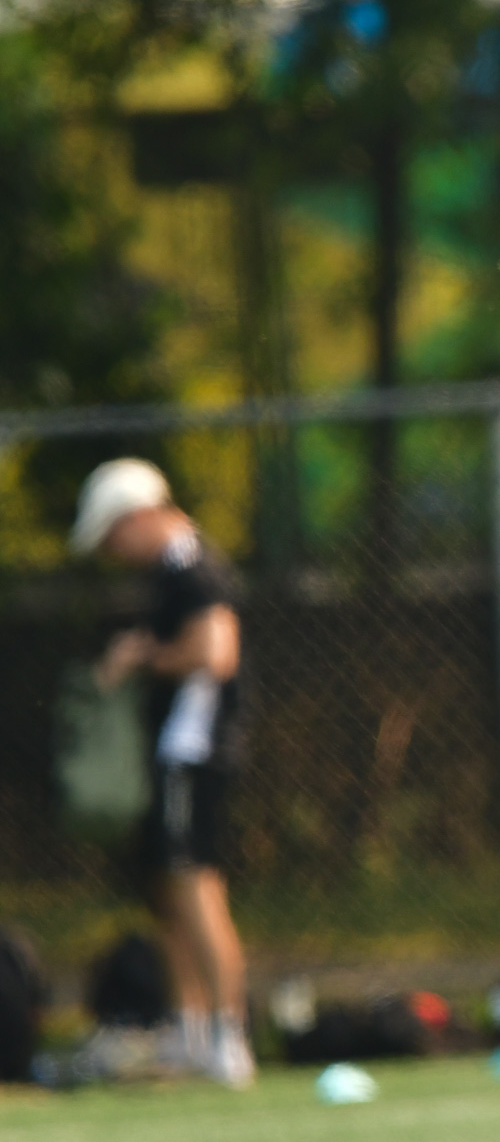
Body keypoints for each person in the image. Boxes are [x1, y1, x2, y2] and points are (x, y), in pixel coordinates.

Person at [71, 458, 255, 1088]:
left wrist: (143, 655)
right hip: (174, 750)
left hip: (192, 748)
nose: (114, 551)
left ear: (139, 515)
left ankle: (228, 1036)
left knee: (195, 882)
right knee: (169, 888)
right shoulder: (168, 570)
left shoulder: (192, 565)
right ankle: (191, 1030)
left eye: (113, 533)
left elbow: (214, 651)